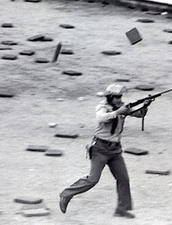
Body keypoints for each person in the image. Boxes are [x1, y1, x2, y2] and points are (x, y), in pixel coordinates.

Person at [59, 83, 150, 218]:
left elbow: (138, 114)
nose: (120, 99)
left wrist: (145, 106)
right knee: (93, 179)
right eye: (117, 97)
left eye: (121, 96)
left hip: (115, 150)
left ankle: (122, 208)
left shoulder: (122, 106)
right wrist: (118, 112)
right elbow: (101, 117)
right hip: (100, 148)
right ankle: (66, 194)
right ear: (110, 97)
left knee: (123, 179)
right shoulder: (102, 107)